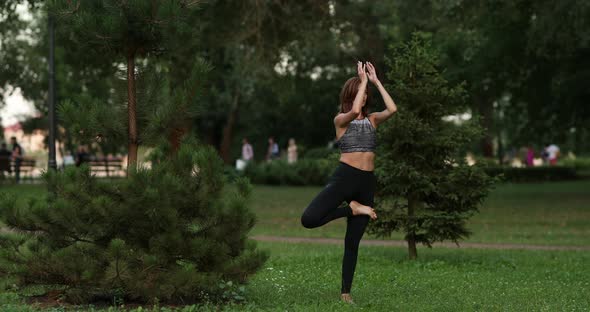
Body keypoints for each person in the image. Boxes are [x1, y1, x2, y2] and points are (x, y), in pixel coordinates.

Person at [300, 61, 397, 304]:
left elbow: (393, 109)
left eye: (364, 95)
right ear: (351, 97)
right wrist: (362, 81)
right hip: (345, 178)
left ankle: (345, 293)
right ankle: (350, 209)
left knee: (352, 242)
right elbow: (353, 112)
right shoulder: (341, 120)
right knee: (308, 219)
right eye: (358, 94)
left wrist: (375, 82)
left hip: (366, 183)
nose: (362, 98)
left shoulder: (373, 120)